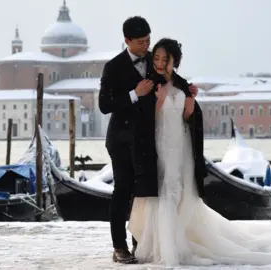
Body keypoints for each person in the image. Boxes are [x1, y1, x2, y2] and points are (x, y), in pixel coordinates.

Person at [127, 38, 271, 267]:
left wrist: (190, 105)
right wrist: (157, 102)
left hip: (181, 147)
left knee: (177, 192)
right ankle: (162, 246)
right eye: (156, 58)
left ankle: (175, 242)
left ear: (174, 62)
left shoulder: (182, 86)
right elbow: (145, 121)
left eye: (164, 59)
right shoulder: (149, 85)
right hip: (158, 146)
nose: (159, 63)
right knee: (162, 192)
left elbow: (189, 118)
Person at [98, 17, 198, 264]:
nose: (147, 46)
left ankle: (141, 244)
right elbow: (104, 105)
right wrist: (135, 94)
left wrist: (189, 90)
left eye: (148, 40)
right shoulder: (113, 67)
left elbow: (172, 76)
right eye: (141, 42)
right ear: (127, 41)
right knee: (122, 190)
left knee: (143, 194)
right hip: (121, 139)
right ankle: (120, 247)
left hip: (147, 141)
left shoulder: (155, 60)